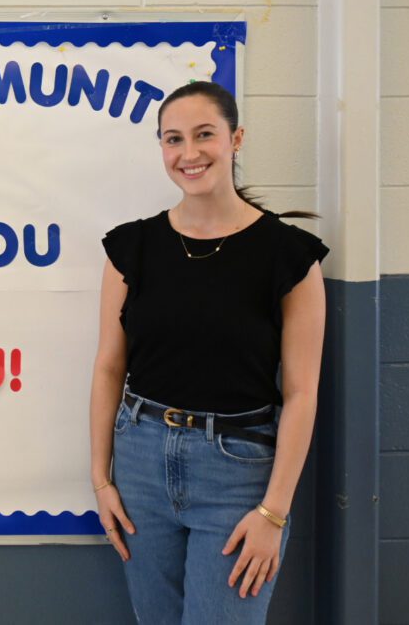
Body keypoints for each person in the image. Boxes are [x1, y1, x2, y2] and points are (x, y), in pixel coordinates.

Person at [88, 81, 327, 624]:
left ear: (235, 138)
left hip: (238, 473)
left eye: (204, 135)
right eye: (173, 139)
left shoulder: (290, 257)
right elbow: (108, 367)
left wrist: (274, 512)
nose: (188, 154)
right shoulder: (131, 248)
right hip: (141, 464)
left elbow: (302, 393)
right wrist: (101, 480)